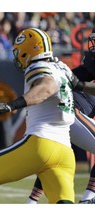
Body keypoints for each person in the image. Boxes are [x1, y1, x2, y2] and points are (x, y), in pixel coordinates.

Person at [0, 27, 77, 204]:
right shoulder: (62, 68)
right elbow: (82, 86)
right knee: (64, 204)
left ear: (28, 50)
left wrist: (11, 105)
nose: (17, 56)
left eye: (18, 52)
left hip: (41, 143)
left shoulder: (38, 66)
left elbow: (47, 87)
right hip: (65, 153)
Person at [27, 28, 95, 204]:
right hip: (73, 111)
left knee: (55, 159)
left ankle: (31, 202)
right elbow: (73, 79)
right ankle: (88, 198)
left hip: (72, 112)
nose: (92, 46)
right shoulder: (88, 64)